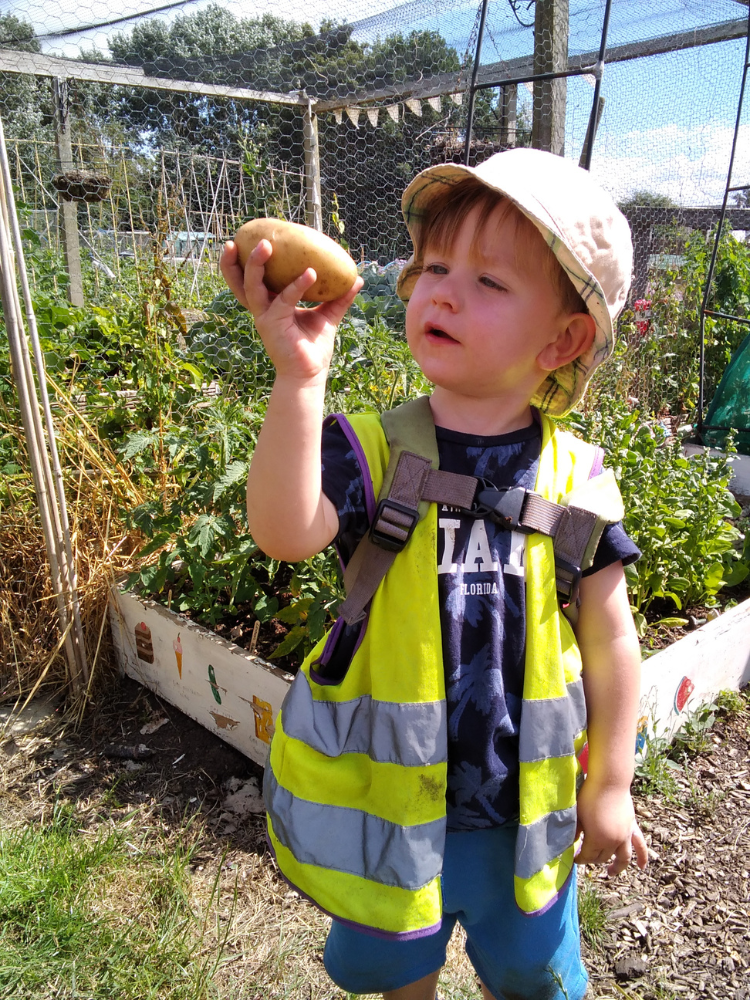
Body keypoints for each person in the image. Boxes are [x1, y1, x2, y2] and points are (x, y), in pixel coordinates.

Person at [220, 147, 649, 1000]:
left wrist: (610, 786)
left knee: (530, 975)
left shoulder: (579, 479)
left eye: (490, 283)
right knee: (401, 966)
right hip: (388, 801)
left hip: (523, 812)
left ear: (562, 339)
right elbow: (282, 532)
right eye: (435, 267)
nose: (442, 291)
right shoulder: (371, 449)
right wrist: (299, 380)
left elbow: (611, 638)